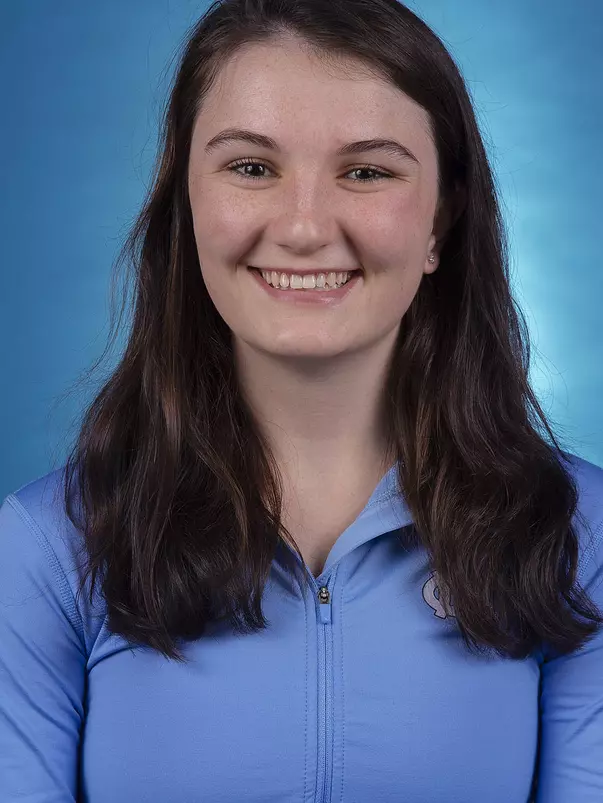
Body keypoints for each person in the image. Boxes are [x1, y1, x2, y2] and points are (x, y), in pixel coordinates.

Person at [1, 0, 602, 800]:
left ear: (440, 222)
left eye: (366, 171)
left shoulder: (579, 535)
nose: (305, 226)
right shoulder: (46, 548)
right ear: (185, 203)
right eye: (251, 167)